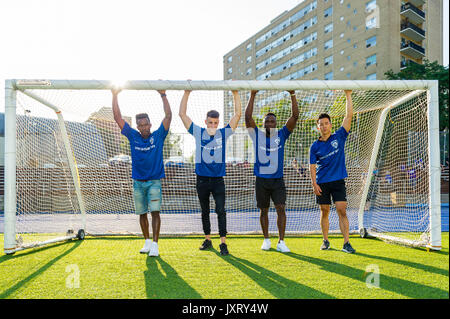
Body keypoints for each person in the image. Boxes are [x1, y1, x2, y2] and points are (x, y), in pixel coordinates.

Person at [179, 88, 241, 255]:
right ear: (205, 122)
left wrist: (235, 93)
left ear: (218, 123)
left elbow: (237, 116)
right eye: (210, 122)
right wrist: (187, 92)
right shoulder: (199, 132)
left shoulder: (223, 133)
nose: (213, 125)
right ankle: (207, 239)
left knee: (221, 210)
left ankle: (223, 243)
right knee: (204, 211)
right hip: (202, 180)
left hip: (218, 180)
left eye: (215, 122)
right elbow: (182, 115)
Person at [112, 87, 172, 257]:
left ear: (150, 124)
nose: (144, 127)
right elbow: (117, 117)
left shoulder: (158, 136)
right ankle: (146, 241)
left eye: (146, 124)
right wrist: (114, 94)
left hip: (154, 181)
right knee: (141, 213)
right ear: (137, 127)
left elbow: (168, 117)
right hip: (138, 183)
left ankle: (155, 244)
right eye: (141, 125)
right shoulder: (133, 136)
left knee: (155, 212)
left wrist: (163, 95)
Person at [245, 90, 299, 252]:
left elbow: (295, 117)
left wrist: (292, 95)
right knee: (264, 210)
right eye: (266, 121)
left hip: (277, 180)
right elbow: (248, 118)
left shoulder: (282, 134)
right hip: (261, 180)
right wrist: (253, 94)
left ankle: (281, 242)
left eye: (272, 121)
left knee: (281, 208)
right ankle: (266, 239)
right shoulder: (257, 135)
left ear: (276, 124)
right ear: (263, 124)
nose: (269, 123)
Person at [309, 90, 355, 253]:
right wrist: (314, 183)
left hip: (338, 181)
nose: (324, 126)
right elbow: (312, 167)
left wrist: (348, 95)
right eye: (321, 124)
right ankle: (325, 240)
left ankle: (346, 243)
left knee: (342, 209)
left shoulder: (339, 136)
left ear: (330, 124)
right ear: (318, 127)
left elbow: (348, 117)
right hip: (322, 183)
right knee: (325, 211)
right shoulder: (314, 146)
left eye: (326, 123)